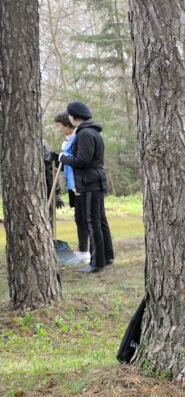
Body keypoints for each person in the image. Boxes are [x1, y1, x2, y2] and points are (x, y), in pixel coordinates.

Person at [58, 101, 113, 274]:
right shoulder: (91, 132)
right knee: (100, 220)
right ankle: (107, 256)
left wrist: (63, 158)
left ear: (73, 117)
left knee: (93, 222)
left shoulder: (85, 134)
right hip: (94, 181)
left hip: (90, 183)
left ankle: (96, 263)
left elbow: (82, 161)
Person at [52, 112, 89, 265]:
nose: (59, 129)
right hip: (73, 185)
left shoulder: (78, 138)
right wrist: (56, 159)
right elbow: (66, 165)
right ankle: (83, 250)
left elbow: (78, 161)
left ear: (68, 125)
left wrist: (62, 157)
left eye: (60, 126)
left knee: (85, 218)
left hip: (83, 184)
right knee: (79, 218)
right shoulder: (68, 141)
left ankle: (86, 251)